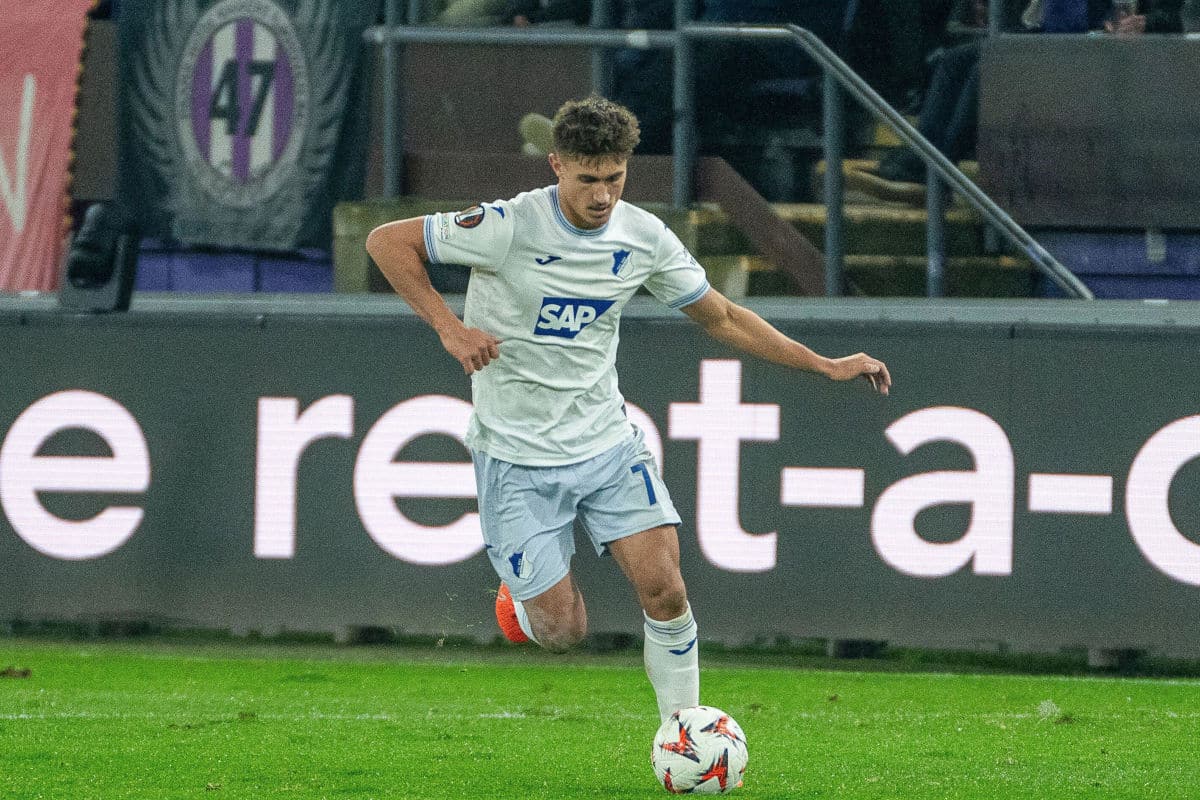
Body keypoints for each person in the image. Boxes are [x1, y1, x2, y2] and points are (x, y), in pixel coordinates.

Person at [364, 96, 892, 723]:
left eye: (613, 178)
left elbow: (721, 316)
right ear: (557, 165)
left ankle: (683, 731)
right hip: (515, 456)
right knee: (563, 632)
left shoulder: (643, 238)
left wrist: (824, 364)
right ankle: (522, 600)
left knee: (666, 589)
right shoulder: (508, 225)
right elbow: (386, 241)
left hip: (607, 445)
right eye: (586, 179)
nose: (601, 195)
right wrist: (450, 327)